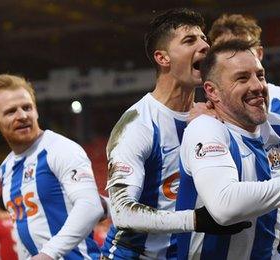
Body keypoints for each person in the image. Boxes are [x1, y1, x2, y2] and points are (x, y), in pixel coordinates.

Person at [101, 8, 250, 259]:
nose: (205, 47)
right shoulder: (138, 124)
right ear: (163, 58)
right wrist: (195, 220)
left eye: (204, 39)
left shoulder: (212, 118)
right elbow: (121, 212)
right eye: (190, 40)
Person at [176, 39, 280, 259]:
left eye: (260, 75)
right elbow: (224, 207)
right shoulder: (206, 129)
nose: (257, 86)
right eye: (242, 78)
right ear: (212, 91)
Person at [0, 74, 104, 259]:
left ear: (36, 111)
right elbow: (24, 233)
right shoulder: (5, 168)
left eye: (27, 107)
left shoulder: (61, 149)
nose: (22, 115)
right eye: (11, 111)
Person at [208, 13, 280, 120]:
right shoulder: (203, 114)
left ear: (259, 53)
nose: (235, 56)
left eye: (244, 48)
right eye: (224, 49)